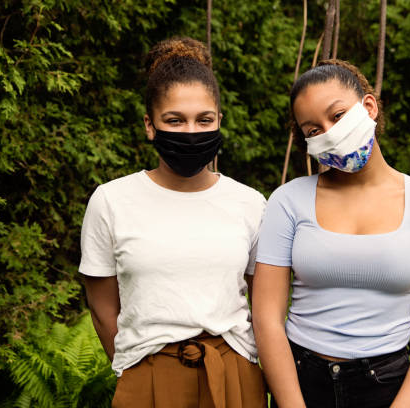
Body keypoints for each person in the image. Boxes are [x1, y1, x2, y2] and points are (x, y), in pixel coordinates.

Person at [252, 60, 410, 408]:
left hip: (386, 385)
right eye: (313, 129)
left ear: (369, 106)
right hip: (302, 381)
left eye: (337, 116)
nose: (329, 132)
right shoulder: (287, 201)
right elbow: (267, 319)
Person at [78, 37, 267, 408]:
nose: (191, 132)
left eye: (204, 120)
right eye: (174, 120)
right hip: (145, 373)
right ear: (150, 125)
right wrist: (137, 369)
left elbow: (265, 304)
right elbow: (101, 305)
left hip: (234, 375)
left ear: (219, 121)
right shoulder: (111, 201)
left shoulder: (250, 203)